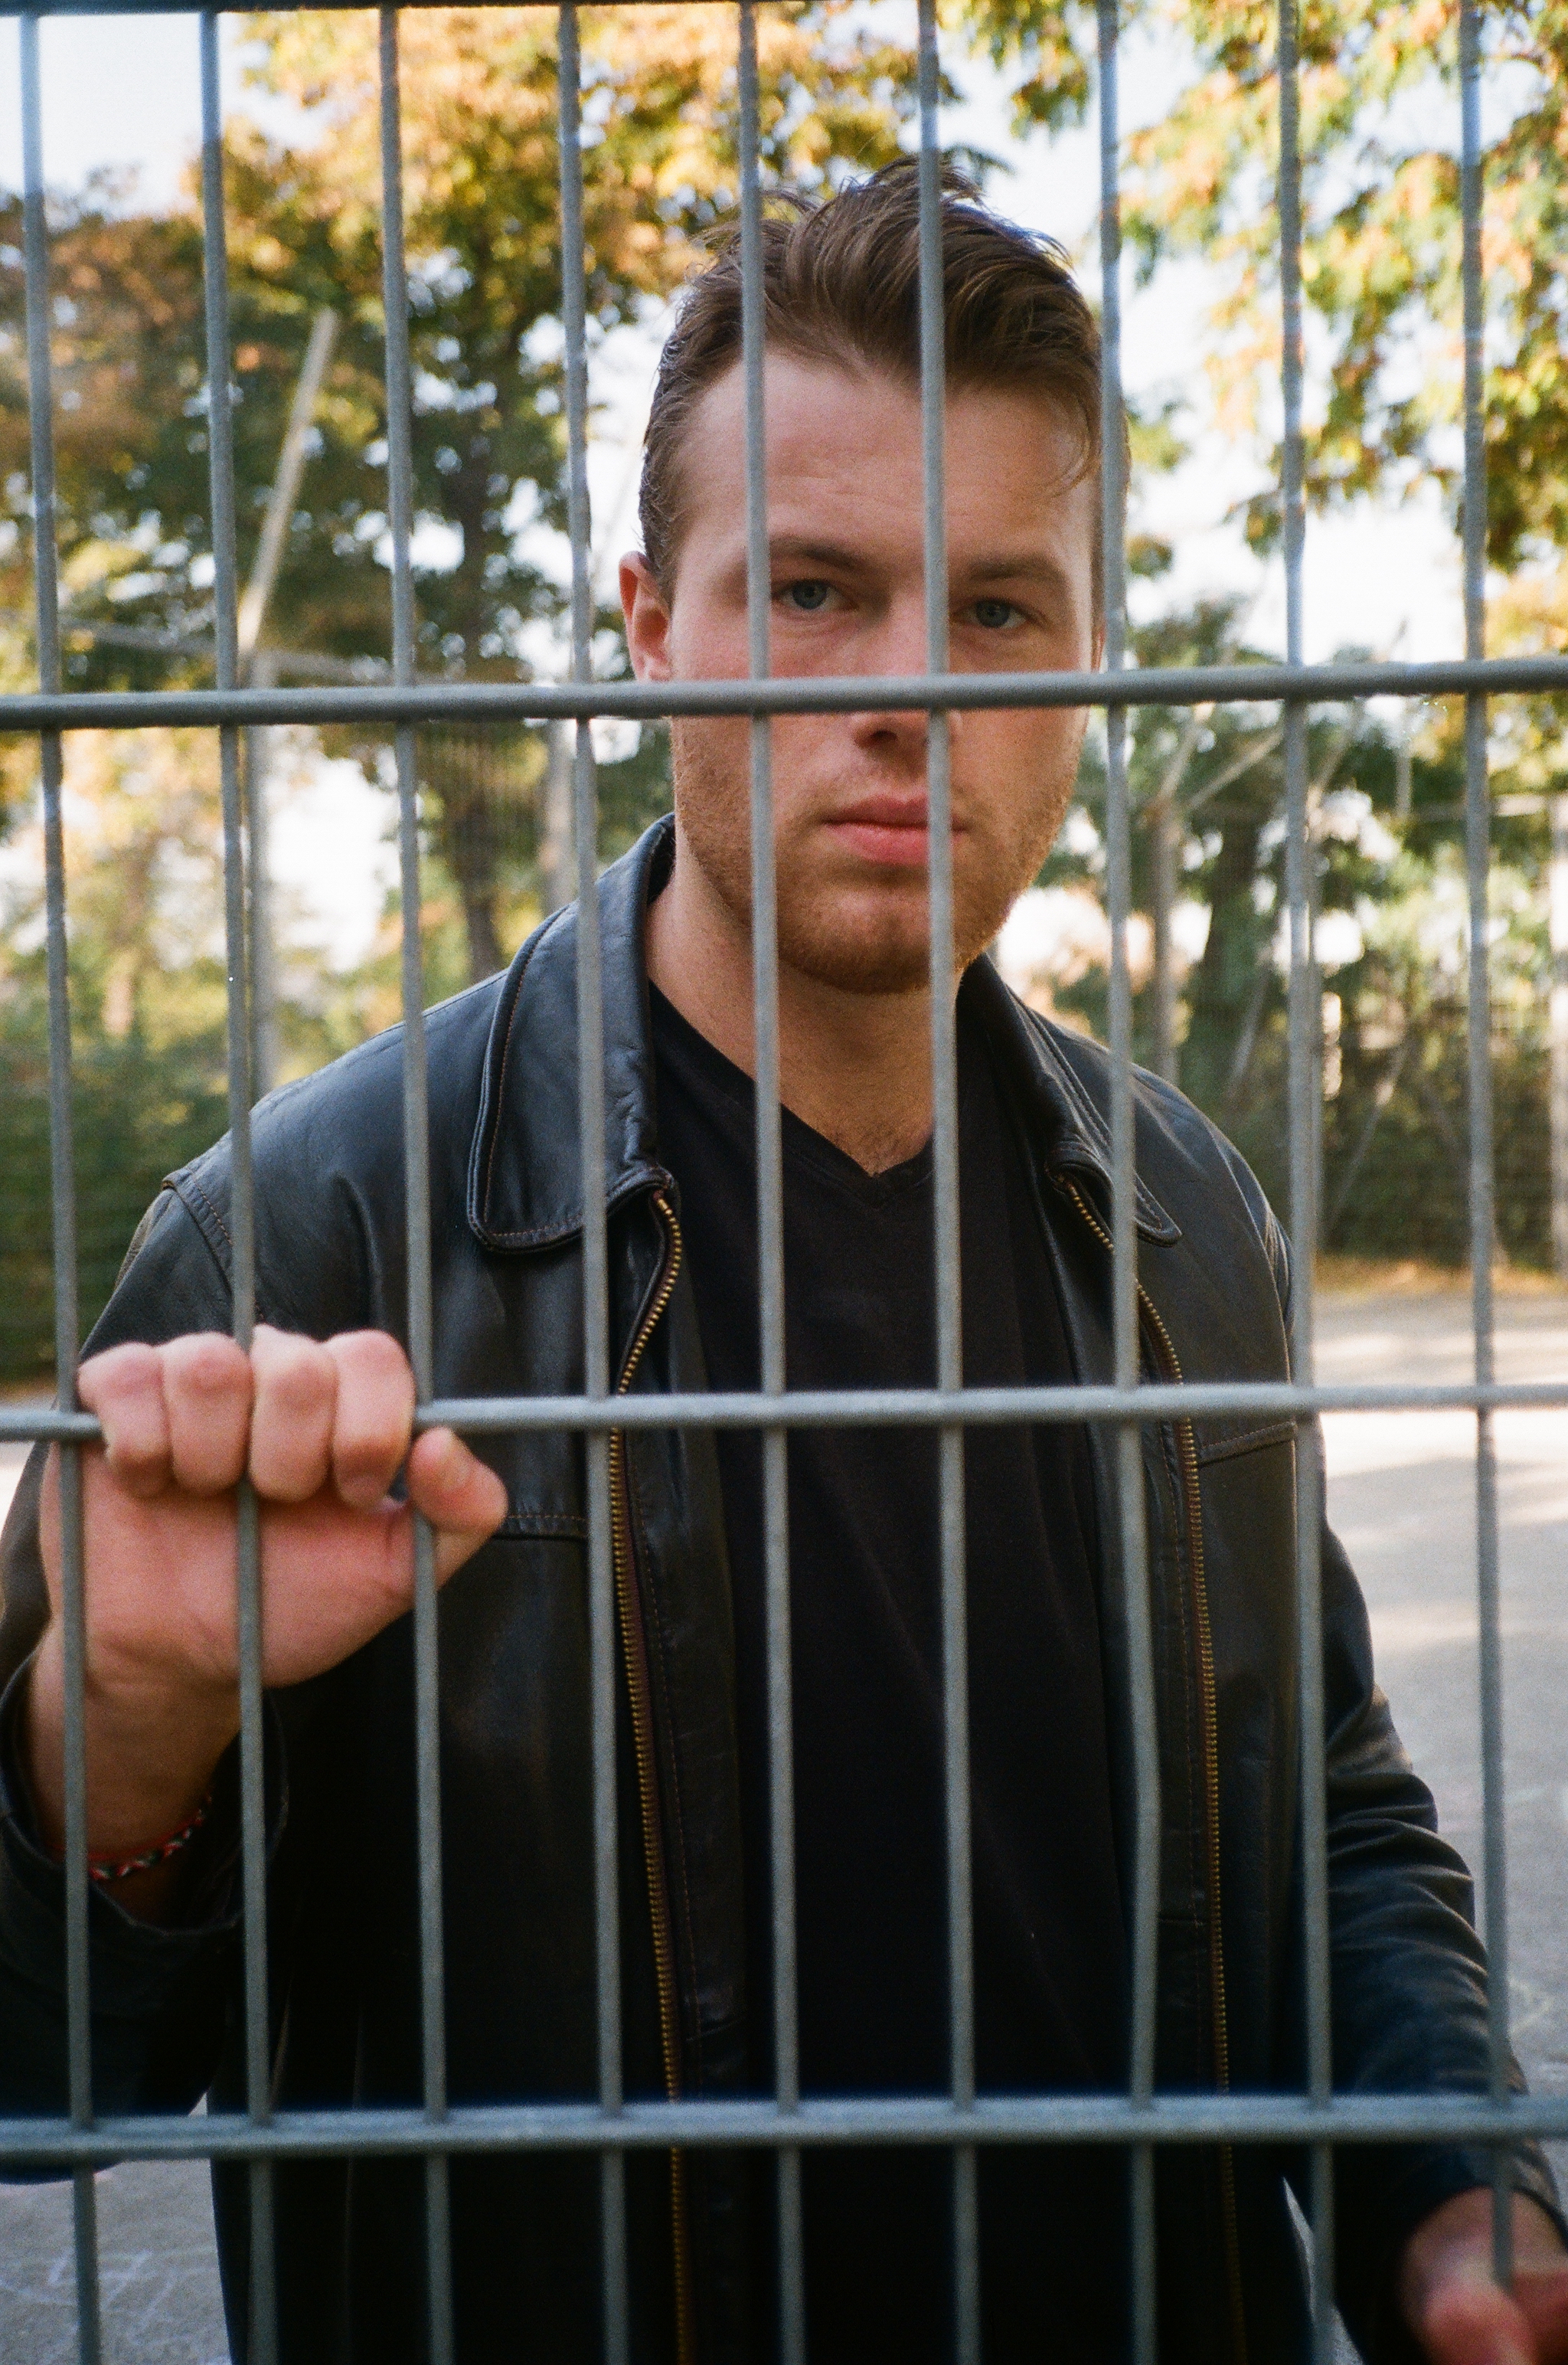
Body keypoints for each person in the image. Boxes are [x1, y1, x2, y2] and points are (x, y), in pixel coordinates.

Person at [2, 161, 1565, 2365]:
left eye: (997, 610)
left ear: (1087, 660)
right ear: (655, 627)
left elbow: (1319, 1813)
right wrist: (127, 1735)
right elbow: (37, 2082)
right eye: (815, 591)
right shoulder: (312, 1234)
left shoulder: (1184, 1208)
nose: (908, 690)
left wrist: (1455, 2201)